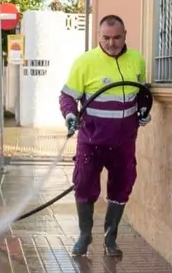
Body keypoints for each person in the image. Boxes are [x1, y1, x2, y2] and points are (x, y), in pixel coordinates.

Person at [59, 14, 153, 258]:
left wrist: (144, 109)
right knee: (83, 184)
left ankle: (110, 238)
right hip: (92, 141)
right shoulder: (85, 62)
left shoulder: (137, 61)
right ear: (99, 37)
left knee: (122, 186)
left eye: (117, 37)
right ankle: (84, 235)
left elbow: (143, 93)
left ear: (125, 36)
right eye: (106, 38)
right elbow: (67, 97)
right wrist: (70, 115)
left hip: (123, 142)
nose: (112, 43)